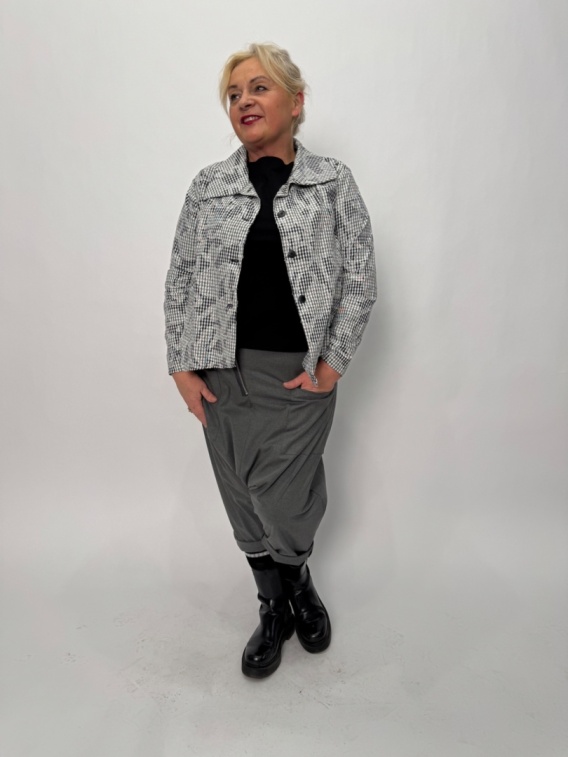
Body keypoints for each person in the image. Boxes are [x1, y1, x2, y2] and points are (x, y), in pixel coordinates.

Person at [164, 42, 377, 679]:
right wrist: (180, 366)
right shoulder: (208, 186)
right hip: (220, 373)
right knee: (239, 496)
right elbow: (181, 277)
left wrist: (332, 364)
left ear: (296, 101)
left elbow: (360, 279)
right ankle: (273, 603)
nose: (244, 101)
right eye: (234, 94)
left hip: (297, 376)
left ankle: (297, 576)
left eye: (259, 88)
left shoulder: (332, 182)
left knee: (285, 501)